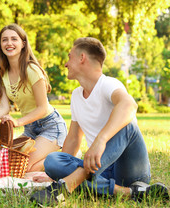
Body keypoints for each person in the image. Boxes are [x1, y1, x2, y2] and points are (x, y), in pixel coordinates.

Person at [30, 37, 169, 205]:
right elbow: (74, 139)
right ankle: (130, 193)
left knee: (128, 124)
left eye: (69, 57)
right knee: (52, 160)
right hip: (98, 170)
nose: (66, 64)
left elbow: (129, 104)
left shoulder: (109, 84)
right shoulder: (76, 96)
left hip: (129, 169)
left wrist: (100, 141)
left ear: (82, 58)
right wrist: (55, 172)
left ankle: (69, 184)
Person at [0, 24, 67, 172]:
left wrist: (17, 121)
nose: (9, 43)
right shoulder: (2, 73)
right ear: (0, 45)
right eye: (4, 40)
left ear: (23, 44)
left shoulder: (32, 70)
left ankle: (64, 156)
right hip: (30, 128)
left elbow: (42, 108)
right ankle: (52, 154)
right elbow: (4, 107)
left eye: (14, 39)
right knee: (10, 165)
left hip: (50, 126)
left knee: (25, 168)